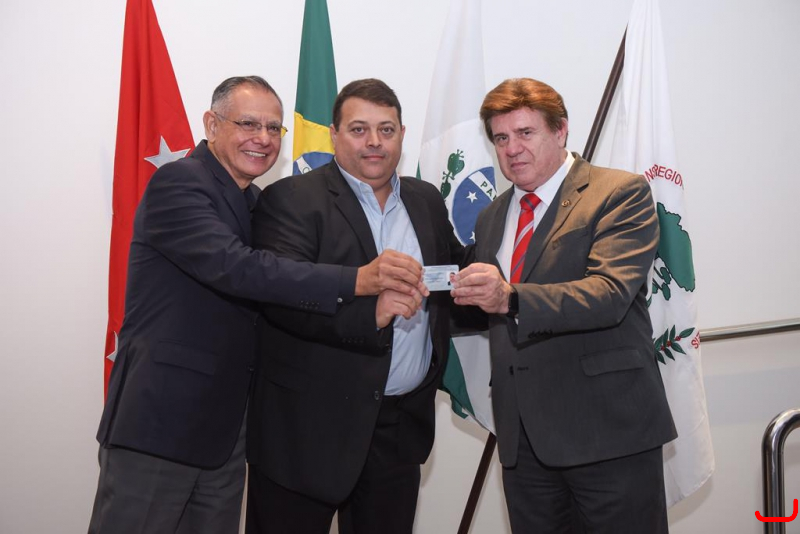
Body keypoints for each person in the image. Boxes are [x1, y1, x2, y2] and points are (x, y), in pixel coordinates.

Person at [89, 76, 423, 534]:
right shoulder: (180, 182)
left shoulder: (256, 201)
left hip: (228, 434)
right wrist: (358, 280)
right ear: (211, 125)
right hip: (162, 424)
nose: (263, 138)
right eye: (248, 124)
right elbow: (238, 268)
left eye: (273, 128)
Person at [450, 78, 677, 533]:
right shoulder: (492, 216)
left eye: (525, 133)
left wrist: (510, 296)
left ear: (560, 130)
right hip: (523, 443)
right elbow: (491, 307)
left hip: (608, 435)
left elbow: (609, 294)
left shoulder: (619, 192)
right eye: (501, 138)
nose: (512, 148)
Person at [245, 78, 465, 534]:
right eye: (359, 129)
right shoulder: (290, 200)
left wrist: (489, 286)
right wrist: (372, 313)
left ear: (402, 134)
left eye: (386, 130)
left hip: (398, 434)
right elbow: (282, 301)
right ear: (334, 134)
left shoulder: (426, 200)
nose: (374, 142)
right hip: (306, 434)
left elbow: (447, 288)